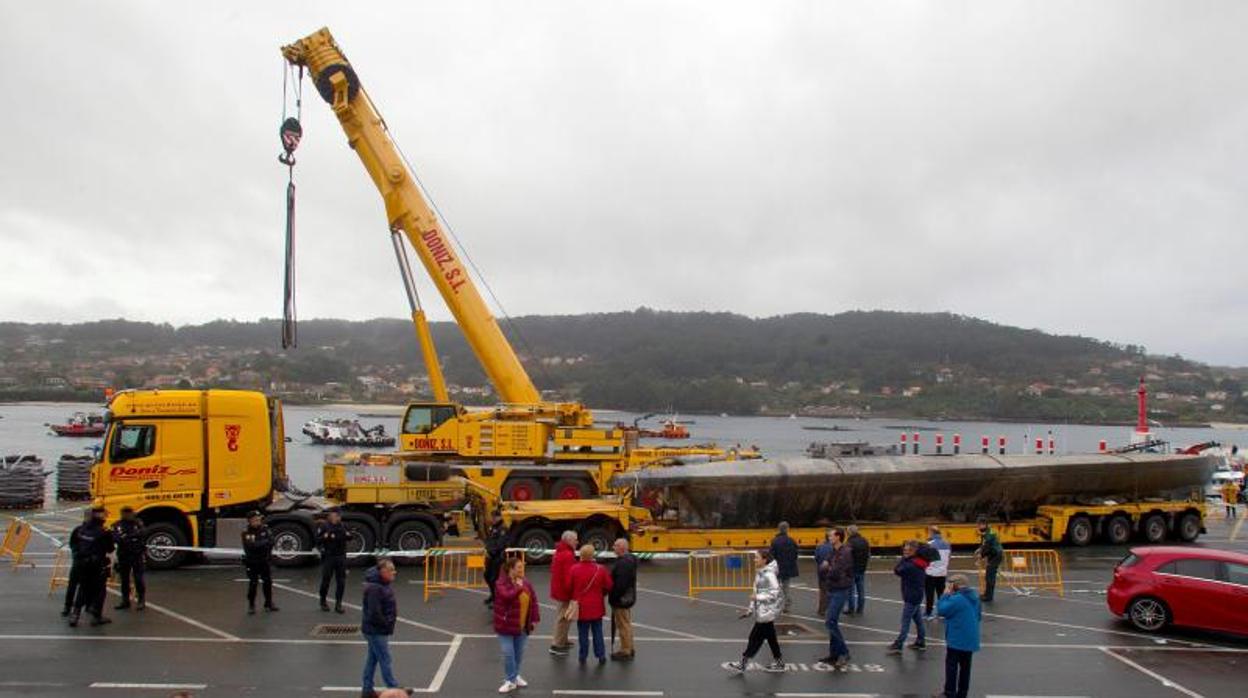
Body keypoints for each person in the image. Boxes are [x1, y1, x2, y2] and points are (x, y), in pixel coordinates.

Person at [727, 549, 786, 673]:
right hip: (762, 611)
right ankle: (779, 662)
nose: (754, 560)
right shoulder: (760, 572)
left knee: (754, 638)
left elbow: (775, 594)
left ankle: (743, 663)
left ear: (764, 560)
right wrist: (750, 610)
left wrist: (758, 598)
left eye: (757, 558)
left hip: (767, 612)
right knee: (771, 638)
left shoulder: (769, 575)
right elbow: (756, 593)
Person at [361, 559, 411, 697]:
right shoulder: (375, 588)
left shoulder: (380, 584)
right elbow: (374, 612)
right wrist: (386, 623)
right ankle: (394, 688)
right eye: (391, 570)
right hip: (376, 631)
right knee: (385, 658)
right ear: (383, 572)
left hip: (375, 629)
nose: (394, 572)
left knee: (372, 659)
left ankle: (367, 690)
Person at [494, 556, 541, 693]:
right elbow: (506, 596)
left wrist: (534, 619)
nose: (522, 569)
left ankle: (515, 676)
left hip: (522, 626)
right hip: (506, 626)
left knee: (518, 654)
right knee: (508, 653)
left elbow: (534, 601)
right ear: (511, 569)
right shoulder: (501, 583)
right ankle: (510, 680)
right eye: (519, 567)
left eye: (522, 567)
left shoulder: (526, 583)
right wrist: (519, 587)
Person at [936, 574, 982, 698]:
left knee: (951, 666)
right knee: (965, 668)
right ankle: (962, 693)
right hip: (970, 638)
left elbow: (941, 610)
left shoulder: (957, 599)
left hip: (957, 638)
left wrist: (945, 595)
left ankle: (949, 692)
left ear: (954, 585)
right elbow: (978, 616)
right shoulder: (974, 597)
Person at [68, 506, 114, 627]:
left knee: (83, 588)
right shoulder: (104, 532)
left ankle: (75, 614)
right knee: (100, 590)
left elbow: (74, 544)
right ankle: (96, 616)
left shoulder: (81, 529)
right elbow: (110, 548)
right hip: (97, 564)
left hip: (83, 563)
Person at [568, 543, 613, 665]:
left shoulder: (574, 569)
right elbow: (609, 585)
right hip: (597, 606)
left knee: (583, 633)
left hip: (581, 607)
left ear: (581, 555)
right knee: (598, 631)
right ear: (592, 555)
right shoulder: (600, 569)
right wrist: (601, 593)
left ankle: (583, 656)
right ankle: (601, 655)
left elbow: (569, 587)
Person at [818, 527, 853, 670]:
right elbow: (823, 566)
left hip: (840, 589)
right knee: (832, 621)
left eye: (831, 535)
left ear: (838, 537)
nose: (829, 537)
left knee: (830, 621)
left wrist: (828, 568)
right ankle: (834, 653)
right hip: (832, 588)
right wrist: (828, 567)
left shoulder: (845, 552)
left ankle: (844, 652)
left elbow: (835, 571)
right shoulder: (833, 551)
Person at [887, 541, 927, 653]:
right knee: (918, 620)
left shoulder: (910, 565)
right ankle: (921, 641)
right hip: (917, 594)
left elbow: (897, 570)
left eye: (907, 550)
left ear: (913, 551)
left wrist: (904, 558)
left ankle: (899, 644)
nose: (905, 552)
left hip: (911, 596)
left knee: (905, 621)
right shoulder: (920, 562)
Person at [548, 530, 578, 656]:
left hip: (559, 589)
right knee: (563, 618)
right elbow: (569, 576)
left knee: (565, 616)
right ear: (569, 540)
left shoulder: (559, 552)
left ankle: (563, 640)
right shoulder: (567, 555)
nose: (577, 542)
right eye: (575, 539)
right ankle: (557, 644)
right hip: (564, 591)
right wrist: (573, 591)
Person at [241, 511, 278, 614]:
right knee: (253, 583)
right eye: (255, 520)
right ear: (250, 521)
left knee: (267, 582)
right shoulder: (247, 532)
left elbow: (272, 541)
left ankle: (268, 603)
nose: (258, 522)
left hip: (264, 560)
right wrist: (264, 542)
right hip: (252, 561)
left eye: (259, 519)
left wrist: (263, 543)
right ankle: (251, 605)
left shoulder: (265, 529)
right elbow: (252, 546)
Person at [316, 508, 353, 613]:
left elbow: (350, 536)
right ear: (331, 515)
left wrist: (348, 535)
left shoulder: (343, 526)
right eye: (336, 515)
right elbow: (317, 540)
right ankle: (323, 601)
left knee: (341, 581)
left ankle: (338, 604)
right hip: (329, 556)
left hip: (340, 556)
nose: (338, 517)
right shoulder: (325, 526)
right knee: (326, 580)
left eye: (339, 516)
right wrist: (325, 536)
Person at [111, 506, 146, 611]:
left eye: (129, 513)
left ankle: (141, 600)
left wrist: (128, 537)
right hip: (124, 555)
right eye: (125, 513)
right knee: (124, 579)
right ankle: (125, 600)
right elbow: (116, 538)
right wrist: (130, 537)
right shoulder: (118, 525)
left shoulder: (137, 524)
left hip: (136, 554)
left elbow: (142, 533)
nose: (128, 515)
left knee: (138, 579)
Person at [608, 538, 637, 660]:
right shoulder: (629, 560)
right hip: (627, 597)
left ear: (622, 548)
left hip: (621, 599)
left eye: (615, 545)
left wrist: (613, 598)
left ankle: (625, 650)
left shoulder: (623, 563)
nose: (613, 547)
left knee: (623, 625)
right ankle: (629, 647)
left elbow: (620, 584)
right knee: (626, 623)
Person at [61, 508, 94, 618]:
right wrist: (77, 554)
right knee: (73, 585)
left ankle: (87, 605)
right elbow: (73, 544)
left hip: (86, 561)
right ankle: (68, 606)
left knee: (87, 585)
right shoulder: (79, 530)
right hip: (80, 561)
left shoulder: (93, 530)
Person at [769, 521, 799, 614]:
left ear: (779, 529)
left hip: (777, 569)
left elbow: (771, 556)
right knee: (786, 588)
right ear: (787, 529)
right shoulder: (792, 541)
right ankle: (787, 606)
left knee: (775, 588)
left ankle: (775, 606)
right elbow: (795, 554)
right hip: (788, 569)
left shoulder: (774, 541)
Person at [924, 525, 951, 620]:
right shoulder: (947, 544)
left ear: (931, 533)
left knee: (929, 594)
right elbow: (948, 557)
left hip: (931, 573)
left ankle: (928, 613)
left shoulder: (929, 544)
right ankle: (942, 613)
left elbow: (925, 559)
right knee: (941, 594)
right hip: (942, 572)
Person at [974, 517, 1003, 603]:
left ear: (984, 524)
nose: (978, 527)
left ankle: (988, 596)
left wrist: (981, 556)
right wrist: (980, 549)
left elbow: (988, 547)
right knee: (988, 576)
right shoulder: (986, 532)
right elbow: (983, 544)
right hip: (993, 555)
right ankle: (986, 594)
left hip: (996, 555)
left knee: (990, 576)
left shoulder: (989, 534)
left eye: (979, 525)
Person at [483, 515, 508, 609]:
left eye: (494, 518)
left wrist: (491, 551)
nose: (492, 519)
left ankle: (496, 599)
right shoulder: (494, 527)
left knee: (494, 579)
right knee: (487, 576)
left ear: (499, 517)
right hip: (490, 557)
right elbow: (490, 540)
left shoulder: (503, 529)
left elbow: (500, 544)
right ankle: (492, 595)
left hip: (497, 557)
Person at [846, 524, 871, 615]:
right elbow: (868, 554)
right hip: (862, 568)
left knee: (851, 591)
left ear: (850, 532)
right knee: (861, 590)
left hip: (852, 569)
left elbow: (847, 556)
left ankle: (851, 609)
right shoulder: (864, 540)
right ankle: (860, 609)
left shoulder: (850, 542)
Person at [813, 529, 834, 617]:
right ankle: (830, 609)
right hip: (831, 571)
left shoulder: (819, 546)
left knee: (822, 591)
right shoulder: (834, 547)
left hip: (821, 571)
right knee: (832, 591)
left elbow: (816, 558)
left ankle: (821, 609)